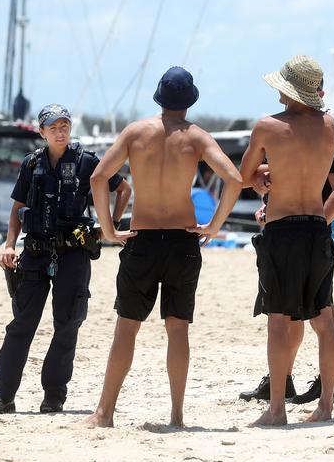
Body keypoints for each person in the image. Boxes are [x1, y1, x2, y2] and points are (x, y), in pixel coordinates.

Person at [85, 66, 242, 428]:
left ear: (158, 97)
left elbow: (98, 178)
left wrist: (108, 229)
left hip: (142, 238)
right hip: (183, 239)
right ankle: (176, 415)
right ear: (190, 101)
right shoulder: (197, 138)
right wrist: (214, 226)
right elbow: (233, 179)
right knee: (178, 328)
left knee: (126, 327)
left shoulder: (136, 132)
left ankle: (104, 414)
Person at [0, 104, 131, 415]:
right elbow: (18, 208)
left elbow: (123, 189)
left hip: (73, 254)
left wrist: (110, 226)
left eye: (64, 126)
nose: (60, 131)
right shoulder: (31, 164)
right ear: (42, 132)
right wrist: (9, 245)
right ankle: (3, 396)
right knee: (21, 324)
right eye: (53, 127)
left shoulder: (86, 161)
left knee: (67, 324)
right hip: (35, 252)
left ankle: (54, 395)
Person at [239, 55, 334, 426]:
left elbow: (244, 173)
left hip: (282, 229)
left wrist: (261, 175)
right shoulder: (330, 125)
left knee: (280, 319)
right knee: (324, 316)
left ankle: (277, 408)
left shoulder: (267, 127)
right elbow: (319, 167)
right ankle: (326, 405)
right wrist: (272, 169)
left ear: (289, 89)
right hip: (316, 226)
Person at [239, 120, 334, 404]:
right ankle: (282, 380)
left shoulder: (328, 131)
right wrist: (266, 189)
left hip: (304, 227)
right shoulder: (289, 128)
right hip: (301, 225)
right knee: (294, 313)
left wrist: (321, 220)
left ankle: (326, 384)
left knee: (318, 316)